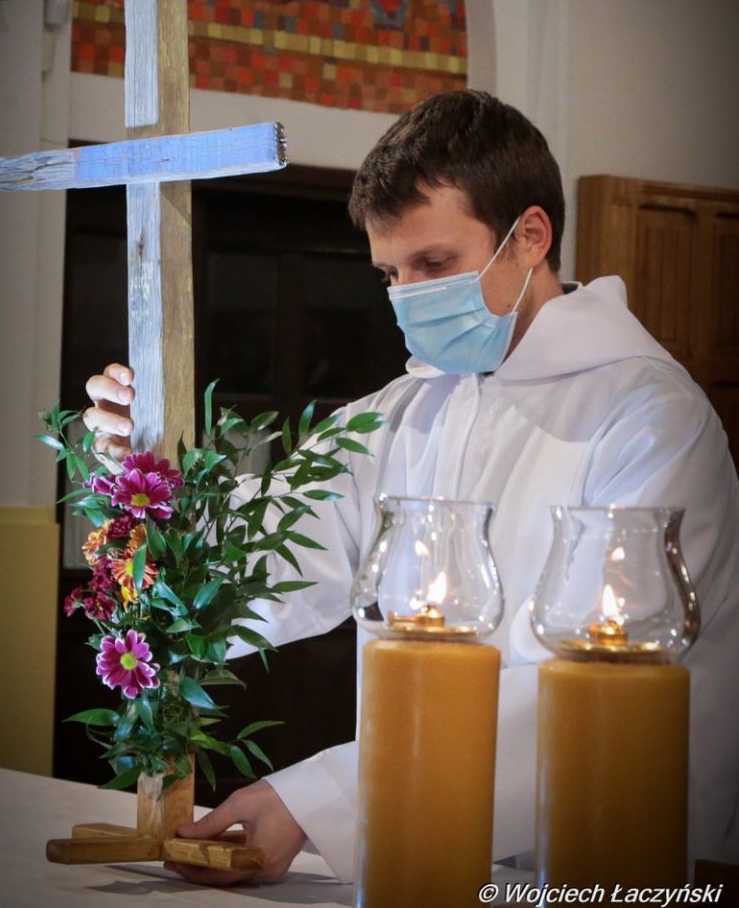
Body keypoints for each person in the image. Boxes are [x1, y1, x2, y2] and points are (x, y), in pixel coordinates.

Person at [84, 90, 739, 886]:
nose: (408, 295)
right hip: (418, 854)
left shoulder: (650, 420)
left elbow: (608, 690)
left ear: (531, 236)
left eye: (434, 265)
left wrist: (322, 799)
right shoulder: (402, 414)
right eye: (391, 272)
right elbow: (258, 570)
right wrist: (142, 476)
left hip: (616, 862)